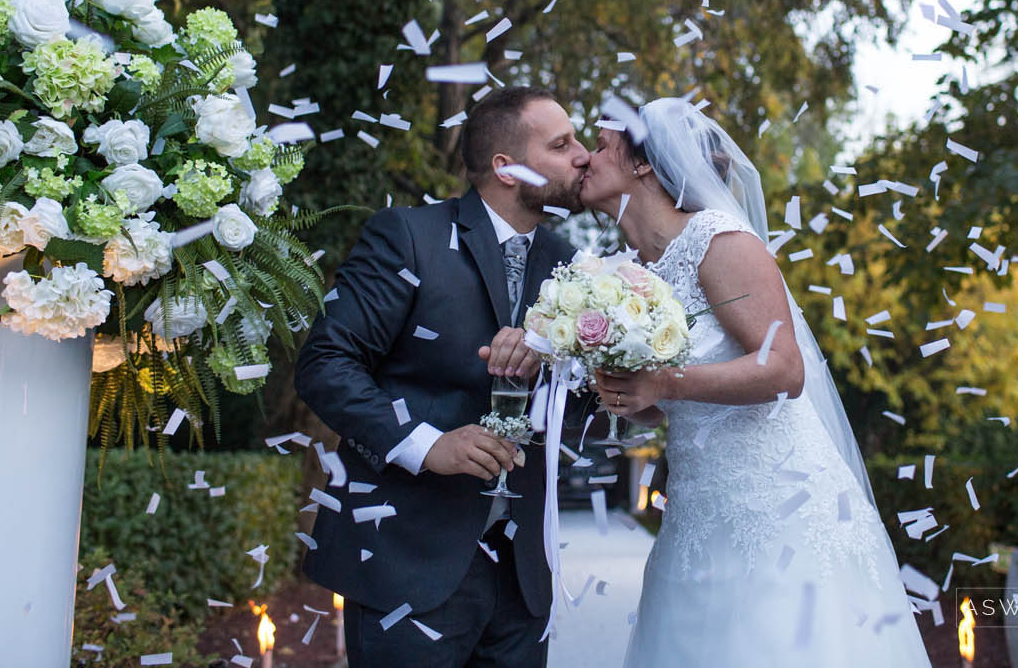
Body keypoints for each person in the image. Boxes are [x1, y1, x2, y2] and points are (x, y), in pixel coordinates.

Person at [585, 97, 933, 667]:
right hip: (697, 509)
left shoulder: (718, 239)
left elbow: (783, 369)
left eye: (601, 147)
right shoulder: (634, 273)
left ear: (643, 163)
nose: (586, 159)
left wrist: (664, 384)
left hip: (777, 502)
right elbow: (672, 399)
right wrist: (633, 396)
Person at [295, 86, 589, 667]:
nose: (582, 156)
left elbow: (572, 412)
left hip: (523, 579)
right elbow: (325, 363)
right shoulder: (409, 236)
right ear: (507, 168)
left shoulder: (571, 264)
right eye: (561, 145)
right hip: (406, 562)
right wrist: (427, 445)